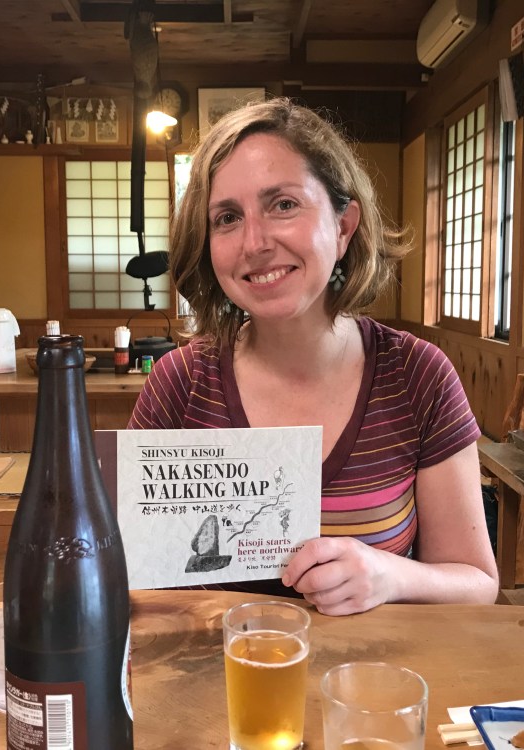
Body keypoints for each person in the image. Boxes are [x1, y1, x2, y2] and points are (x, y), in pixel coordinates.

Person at [129, 98, 499, 614]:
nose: (254, 242)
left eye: (283, 204)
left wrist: (388, 575)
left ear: (344, 227)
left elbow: (478, 583)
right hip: (216, 663)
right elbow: (133, 576)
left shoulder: (418, 376)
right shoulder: (180, 383)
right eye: (227, 217)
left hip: (374, 666)